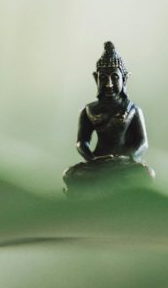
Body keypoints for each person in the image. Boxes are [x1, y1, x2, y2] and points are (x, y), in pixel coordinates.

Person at [63, 41, 154, 194]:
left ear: (125, 78)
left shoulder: (133, 109)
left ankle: (106, 187)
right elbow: (82, 142)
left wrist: (125, 158)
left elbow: (142, 142)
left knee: (146, 174)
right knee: (69, 174)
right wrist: (92, 158)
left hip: (123, 164)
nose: (109, 84)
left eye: (115, 77)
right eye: (103, 78)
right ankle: (108, 186)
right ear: (95, 78)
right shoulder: (89, 110)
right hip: (99, 164)